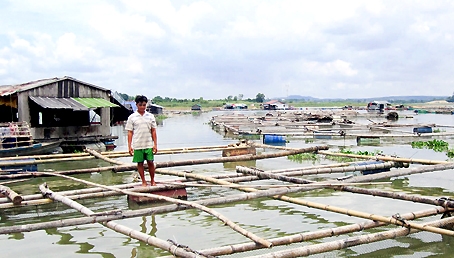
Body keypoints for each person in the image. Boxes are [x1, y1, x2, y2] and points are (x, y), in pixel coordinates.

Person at [125, 95, 158, 186]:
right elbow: (130, 132)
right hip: (138, 144)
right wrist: (129, 146)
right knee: (140, 163)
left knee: (150, 162)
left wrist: (155, 144)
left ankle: (152, 180)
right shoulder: (132, 117)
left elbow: (153, 131)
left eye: (144, 105)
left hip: (148, 144)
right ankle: (143, 181)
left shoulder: (150, 116)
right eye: (140, 105)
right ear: (136, 105)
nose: (142, 107)